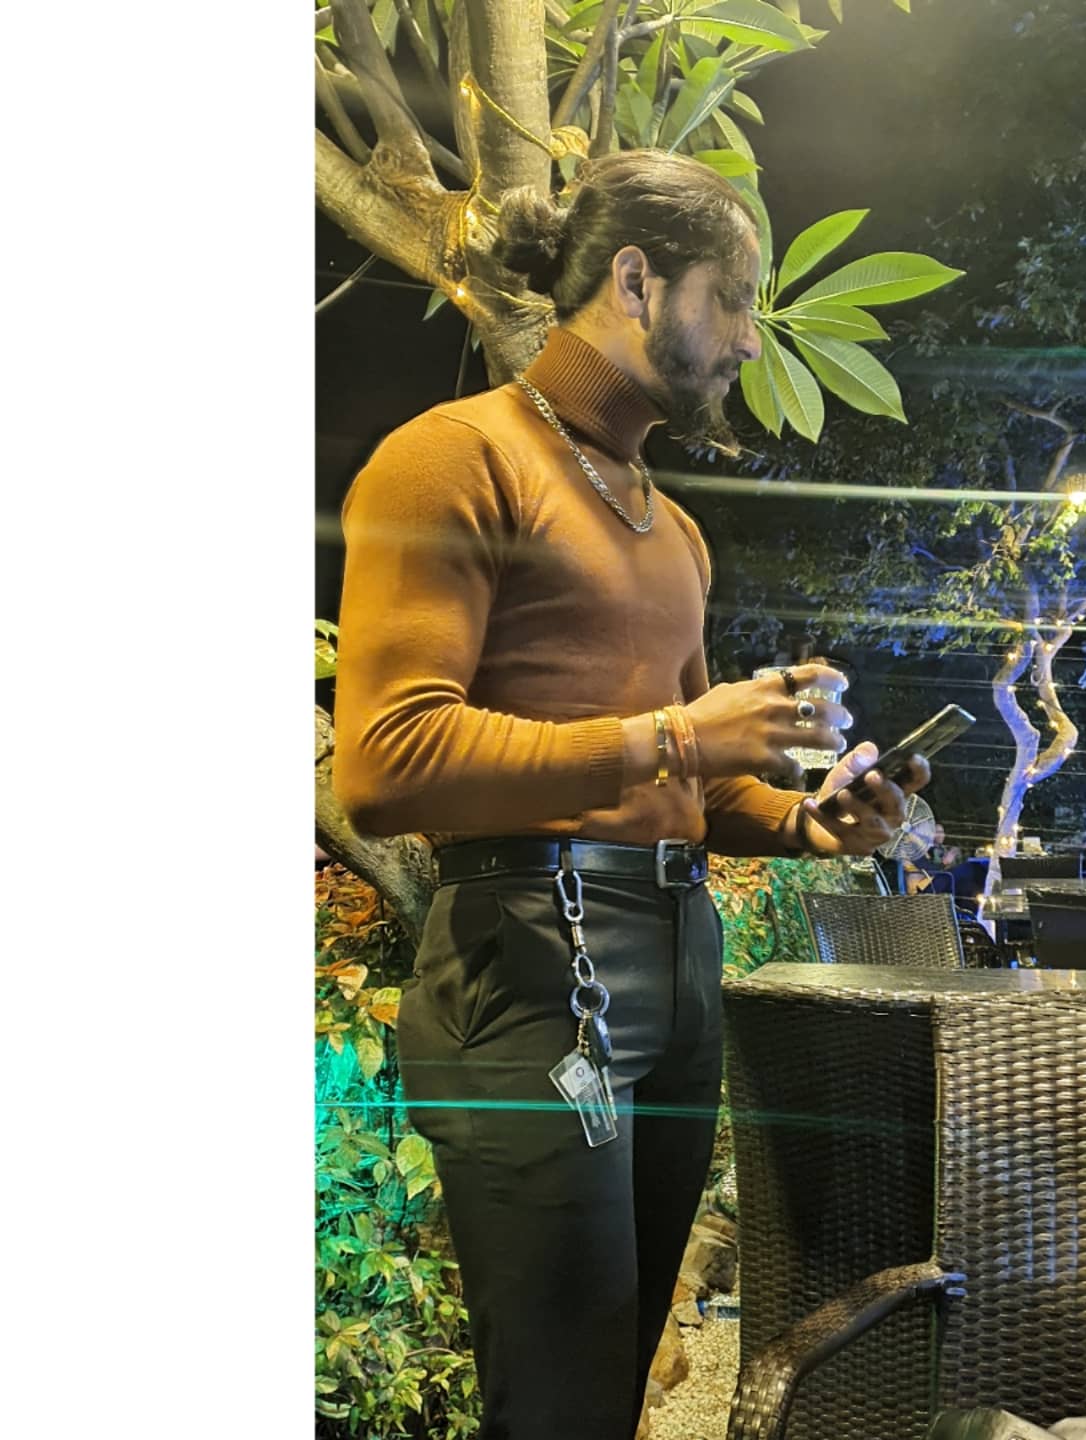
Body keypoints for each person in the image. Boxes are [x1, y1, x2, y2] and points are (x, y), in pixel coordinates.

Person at [330, 149, 933, 1440]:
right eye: (736, 300)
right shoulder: (452, 459)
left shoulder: (674, 527)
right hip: (528, 967)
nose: (752, 341)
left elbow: (692, 783)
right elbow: (384, 760)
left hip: (675, 965)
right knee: (558, 1402)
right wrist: (673, 734)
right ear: (637, 279)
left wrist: (808, 819)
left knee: (607, 1389)